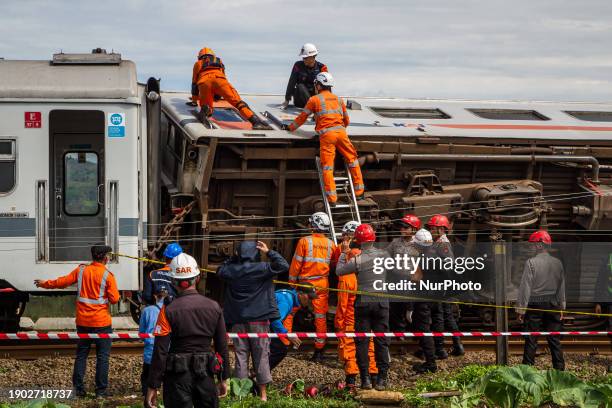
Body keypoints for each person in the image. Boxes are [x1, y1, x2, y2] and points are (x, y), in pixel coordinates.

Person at [34, 245, 120, 398]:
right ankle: (100, 392)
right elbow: (114, 300)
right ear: (105, 258)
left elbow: (62, 282)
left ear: (93, 257)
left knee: (81, 355)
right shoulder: (108, 275)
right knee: (103, 357)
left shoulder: (81, 271)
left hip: (83, 322)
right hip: (101, 323)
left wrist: (45, 283)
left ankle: (79, 390)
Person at [146, 253, 230, 408]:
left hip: (177, 378)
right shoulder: (214, 307)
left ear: (173, 281)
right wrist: (224, 378)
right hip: (206, 374)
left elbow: (160, 350)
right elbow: (222, 346)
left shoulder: (167, 310)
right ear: (197, 278)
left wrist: (153, 385)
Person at [217, 240, 289, 401]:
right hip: (260, 320)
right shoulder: (263, 268)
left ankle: (241, 397)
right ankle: (263, 396)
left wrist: (233, 258)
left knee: (241, 357)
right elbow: (283, 265)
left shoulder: (232, 271)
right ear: (255, 253)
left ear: (240, 253)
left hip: (238, 320)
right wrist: (269, 251)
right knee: (262, 356)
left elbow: (220, 270)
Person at [283, 72, 365, 205]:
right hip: (341, 133)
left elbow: (302, 118)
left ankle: (332, 199)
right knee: (352, 160)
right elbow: (346, 120)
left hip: (327, 136)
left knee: (327, 167)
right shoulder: (339, 100)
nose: (315, 86)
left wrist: (290, 128)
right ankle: (359, 192)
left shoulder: (314, 100)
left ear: (319, 85)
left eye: (316, 84)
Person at [336, 224, 391, 391]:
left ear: (358, 242)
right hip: (381, 301)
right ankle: (381, 379)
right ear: (373, 239)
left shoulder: (357, 259)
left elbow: (339, 271)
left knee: (362, 342)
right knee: (381, 341)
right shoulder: (384, 254)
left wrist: (344, 252)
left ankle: (365, 379)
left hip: (363, 303)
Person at [285, 212, 336, 361]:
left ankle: (284, 343)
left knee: (290, 311)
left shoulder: (304, 241)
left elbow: (296, 264)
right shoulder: (331, 244)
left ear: (314, 225)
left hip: (305, 284)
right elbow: (334, 264)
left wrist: (292, 284)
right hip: (322, 284)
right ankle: (319, 351)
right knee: (320, 316)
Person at [516, 230, 566, 371]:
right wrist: (562, 307)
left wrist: (521, 310)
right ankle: (560, 371)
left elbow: (525, 288)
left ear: (539, 245)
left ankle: (527, 371)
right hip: (553, 304)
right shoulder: (558, 263)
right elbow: (561, 288)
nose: (531, 247)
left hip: (535, 303)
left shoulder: (531, 263)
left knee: (531, 339)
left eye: (533, 244)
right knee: (554, 340)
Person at [191, 47, 267, 129]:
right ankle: (256, 122)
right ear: (212, 55)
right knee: (237, 102)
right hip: (219, 80)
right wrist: (218, 94)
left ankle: (206, 110)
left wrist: (194, 101)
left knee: (207, 105)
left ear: (199, 56)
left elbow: (194, 83)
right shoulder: (219, 61)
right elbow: (223, 75)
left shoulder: (198, 63)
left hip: (204, 83)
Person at [427, 214, 464, 358]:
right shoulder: (439, 242)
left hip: (442, 286)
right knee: (448, 316)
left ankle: (440, 349)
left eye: (433, 228)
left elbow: (448, 266)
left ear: (442, 229)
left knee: (440, 317)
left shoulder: (443, 244)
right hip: (444, 285)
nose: (431, 231)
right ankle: (457, 345)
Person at [410, 228, 440, 373]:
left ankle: (430, 362)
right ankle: (435, 352)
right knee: (433, 326)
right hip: (435, 297)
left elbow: (415, 278)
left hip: (423, 299)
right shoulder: (436, 255)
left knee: (423, 329)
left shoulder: (421, 259)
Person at [269, 284, 317, 370]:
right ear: (300, 293)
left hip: (261, 322)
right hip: (261, 324)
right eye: (309, 297)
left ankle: (258, 375)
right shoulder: (287, 301)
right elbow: (275, 320)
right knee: (279, 351)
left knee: (273, 349)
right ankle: (258, 376)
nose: (310, 301)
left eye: (312, 299)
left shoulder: (288, 296)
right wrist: (287, 335)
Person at [386, 214, 421, 331]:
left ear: (414, 229)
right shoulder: (395, 242)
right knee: (395, 307)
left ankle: (414, 332)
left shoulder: (420, 244)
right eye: (402, 227)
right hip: (396, 280)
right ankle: (399, 332)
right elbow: (386, 255)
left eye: (406, 227)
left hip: (412, 282)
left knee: (411, 309)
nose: (402, 230)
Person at [281, 43, 328, 109]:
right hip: (300, 101)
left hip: (315, 100)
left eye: (305, 58)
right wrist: (287, 100)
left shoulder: (322, 67)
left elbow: (327, 87)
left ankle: (314, 107)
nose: (304, 59)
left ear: (312, 57)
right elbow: (292, 82)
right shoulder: (298, 65)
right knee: (300, 86)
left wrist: (328, 103)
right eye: (303, 58)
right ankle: (312, 107)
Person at [139, 287, 166, 398]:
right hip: (166, 351)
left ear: (155, 296)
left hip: (150, 351)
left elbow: (141, 333)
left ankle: (147, 398)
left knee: (147, 376)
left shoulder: (147, 311)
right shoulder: (170, 310)